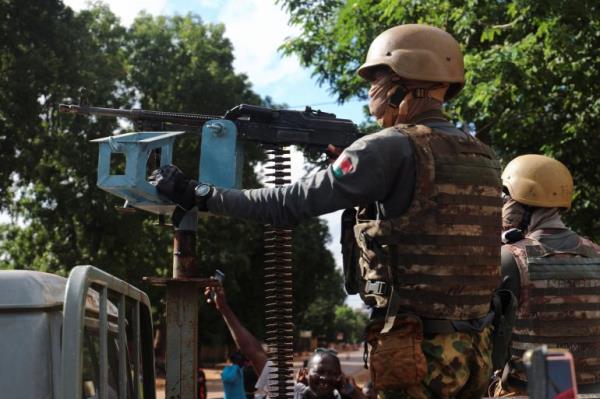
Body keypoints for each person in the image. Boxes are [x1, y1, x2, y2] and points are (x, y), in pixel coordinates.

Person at [152, 23, 502, 398]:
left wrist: (200, 194)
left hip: (419, 356)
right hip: (476, 352)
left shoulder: (387, 148)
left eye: (376, 79)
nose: (371, 91)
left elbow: (286, 204)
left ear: (402, 83)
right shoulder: (483, 156)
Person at [495, 154, 600, 395]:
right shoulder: (596, 253)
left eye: (505, 197)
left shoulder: (510, 258)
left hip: (529, 389)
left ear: (522, 202)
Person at [205, 284, 365, 399]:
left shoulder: (344, 396)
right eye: (320, 371)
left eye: (332, 374)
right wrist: (223, 307)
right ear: (306, 373)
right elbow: (254, 351)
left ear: (340, 377)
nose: (325, 378)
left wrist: (350, 391)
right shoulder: (288, 391)